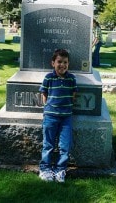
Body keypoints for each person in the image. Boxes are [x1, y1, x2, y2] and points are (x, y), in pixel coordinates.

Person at [39, 49, 78, 183]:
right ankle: (45, 169)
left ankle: (60, 169)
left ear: (68, 64)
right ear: (53, 63)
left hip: (66, 117)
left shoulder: (71, 78)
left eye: (65, 62)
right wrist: (48, 108)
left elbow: (73, 95)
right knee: (48, 144)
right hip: (50, 116)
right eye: (59, 62)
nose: (62, 65)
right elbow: (44, 94)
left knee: (64, 146)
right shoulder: (49, 78)